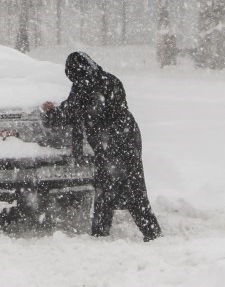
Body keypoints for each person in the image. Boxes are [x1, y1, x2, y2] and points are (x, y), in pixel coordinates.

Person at [41, 52, 162, 242]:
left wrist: (49, 113)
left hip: (110, 141)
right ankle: (152, 232)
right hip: (129, 134)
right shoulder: (110, 79)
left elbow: (68, 114)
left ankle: (100, 233)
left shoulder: (84, 86)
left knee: (105, 187)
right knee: (134, 184)